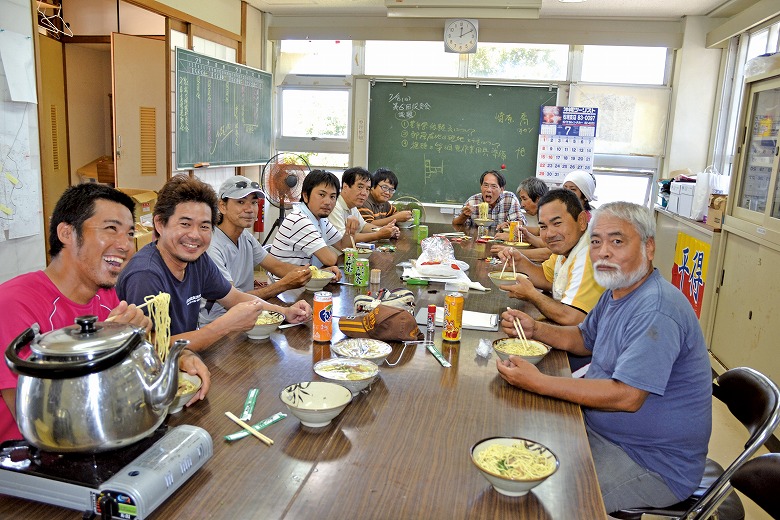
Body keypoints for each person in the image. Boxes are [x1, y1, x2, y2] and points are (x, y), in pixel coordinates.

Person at [496, 201, 712, 514]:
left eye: (617, 241)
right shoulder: (619, 291)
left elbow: (627, 396)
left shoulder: (656, 310)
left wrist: (541, 383)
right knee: (519, 454)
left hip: (651, 462)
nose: (604, 252)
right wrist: (535, 330)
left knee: (541, 502)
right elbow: (584, 338)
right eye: (596, 242)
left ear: (649, 248)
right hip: (601, 432)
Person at [0, 184, 211, 444]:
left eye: (130, 233)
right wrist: (106, 348)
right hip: (31, 462)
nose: (125, 245)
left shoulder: (105, 295)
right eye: (111, 229)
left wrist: (178, 357)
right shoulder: (13, 305)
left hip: (102, 438)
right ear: (67, 232)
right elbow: (42, 425)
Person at [117, 175, 311, 352]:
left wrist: (285, 312)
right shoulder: (146, 275)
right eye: (185, 224)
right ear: (160, 224)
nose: (194, 235)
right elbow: (149, 347)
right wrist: (225, 325)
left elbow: (234, 297)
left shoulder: (198, 260)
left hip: (189, 361)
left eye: (204, 226)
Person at [198, 175, 313, 327]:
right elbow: (234, 299)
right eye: (240, 202)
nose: (249, 209)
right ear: (222, 206)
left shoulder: (246, 236)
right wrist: (284, 285)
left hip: (248, 315)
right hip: (220, 324)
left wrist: (312, 272)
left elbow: (277, 267)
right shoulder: (212, 247)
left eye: (254, 202)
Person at [495, 189, 605, 328]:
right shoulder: (567, 246)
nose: (550, 233)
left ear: (582, 221)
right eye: (543, 226)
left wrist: (532, 295)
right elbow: (547, 278)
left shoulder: (590, 254)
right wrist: (519, 261)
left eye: (557, 223)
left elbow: (573, 317)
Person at [269, 169, 359, 271]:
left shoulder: (321, 220)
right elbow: (330, 260)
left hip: (306, 278)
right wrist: (331, 253)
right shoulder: (299, 220)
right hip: (289, 284)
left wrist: (350, 229)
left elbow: (344, 247)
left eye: (333, 196)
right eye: (322, 195)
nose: (328, 202)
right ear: (306, 196)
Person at [328, 167, 400, 242]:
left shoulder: (352, 206)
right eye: (360, 187)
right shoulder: (334, 206)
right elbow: (342, 239)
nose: (364, 193)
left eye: (367, 189)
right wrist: (378, 235)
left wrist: (386, 231)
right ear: (345, 187)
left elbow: (363, 226)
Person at [451, 169, 524, 228]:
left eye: (493, 186)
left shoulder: (510, 199)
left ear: (502, 189)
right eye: (485, 185)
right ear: (481, 186)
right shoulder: (473, 201)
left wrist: (509, 225)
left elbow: (520, 222)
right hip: (478, 241)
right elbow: (455, 223)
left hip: (502, 242)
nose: (488, 190)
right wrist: (464, 216)